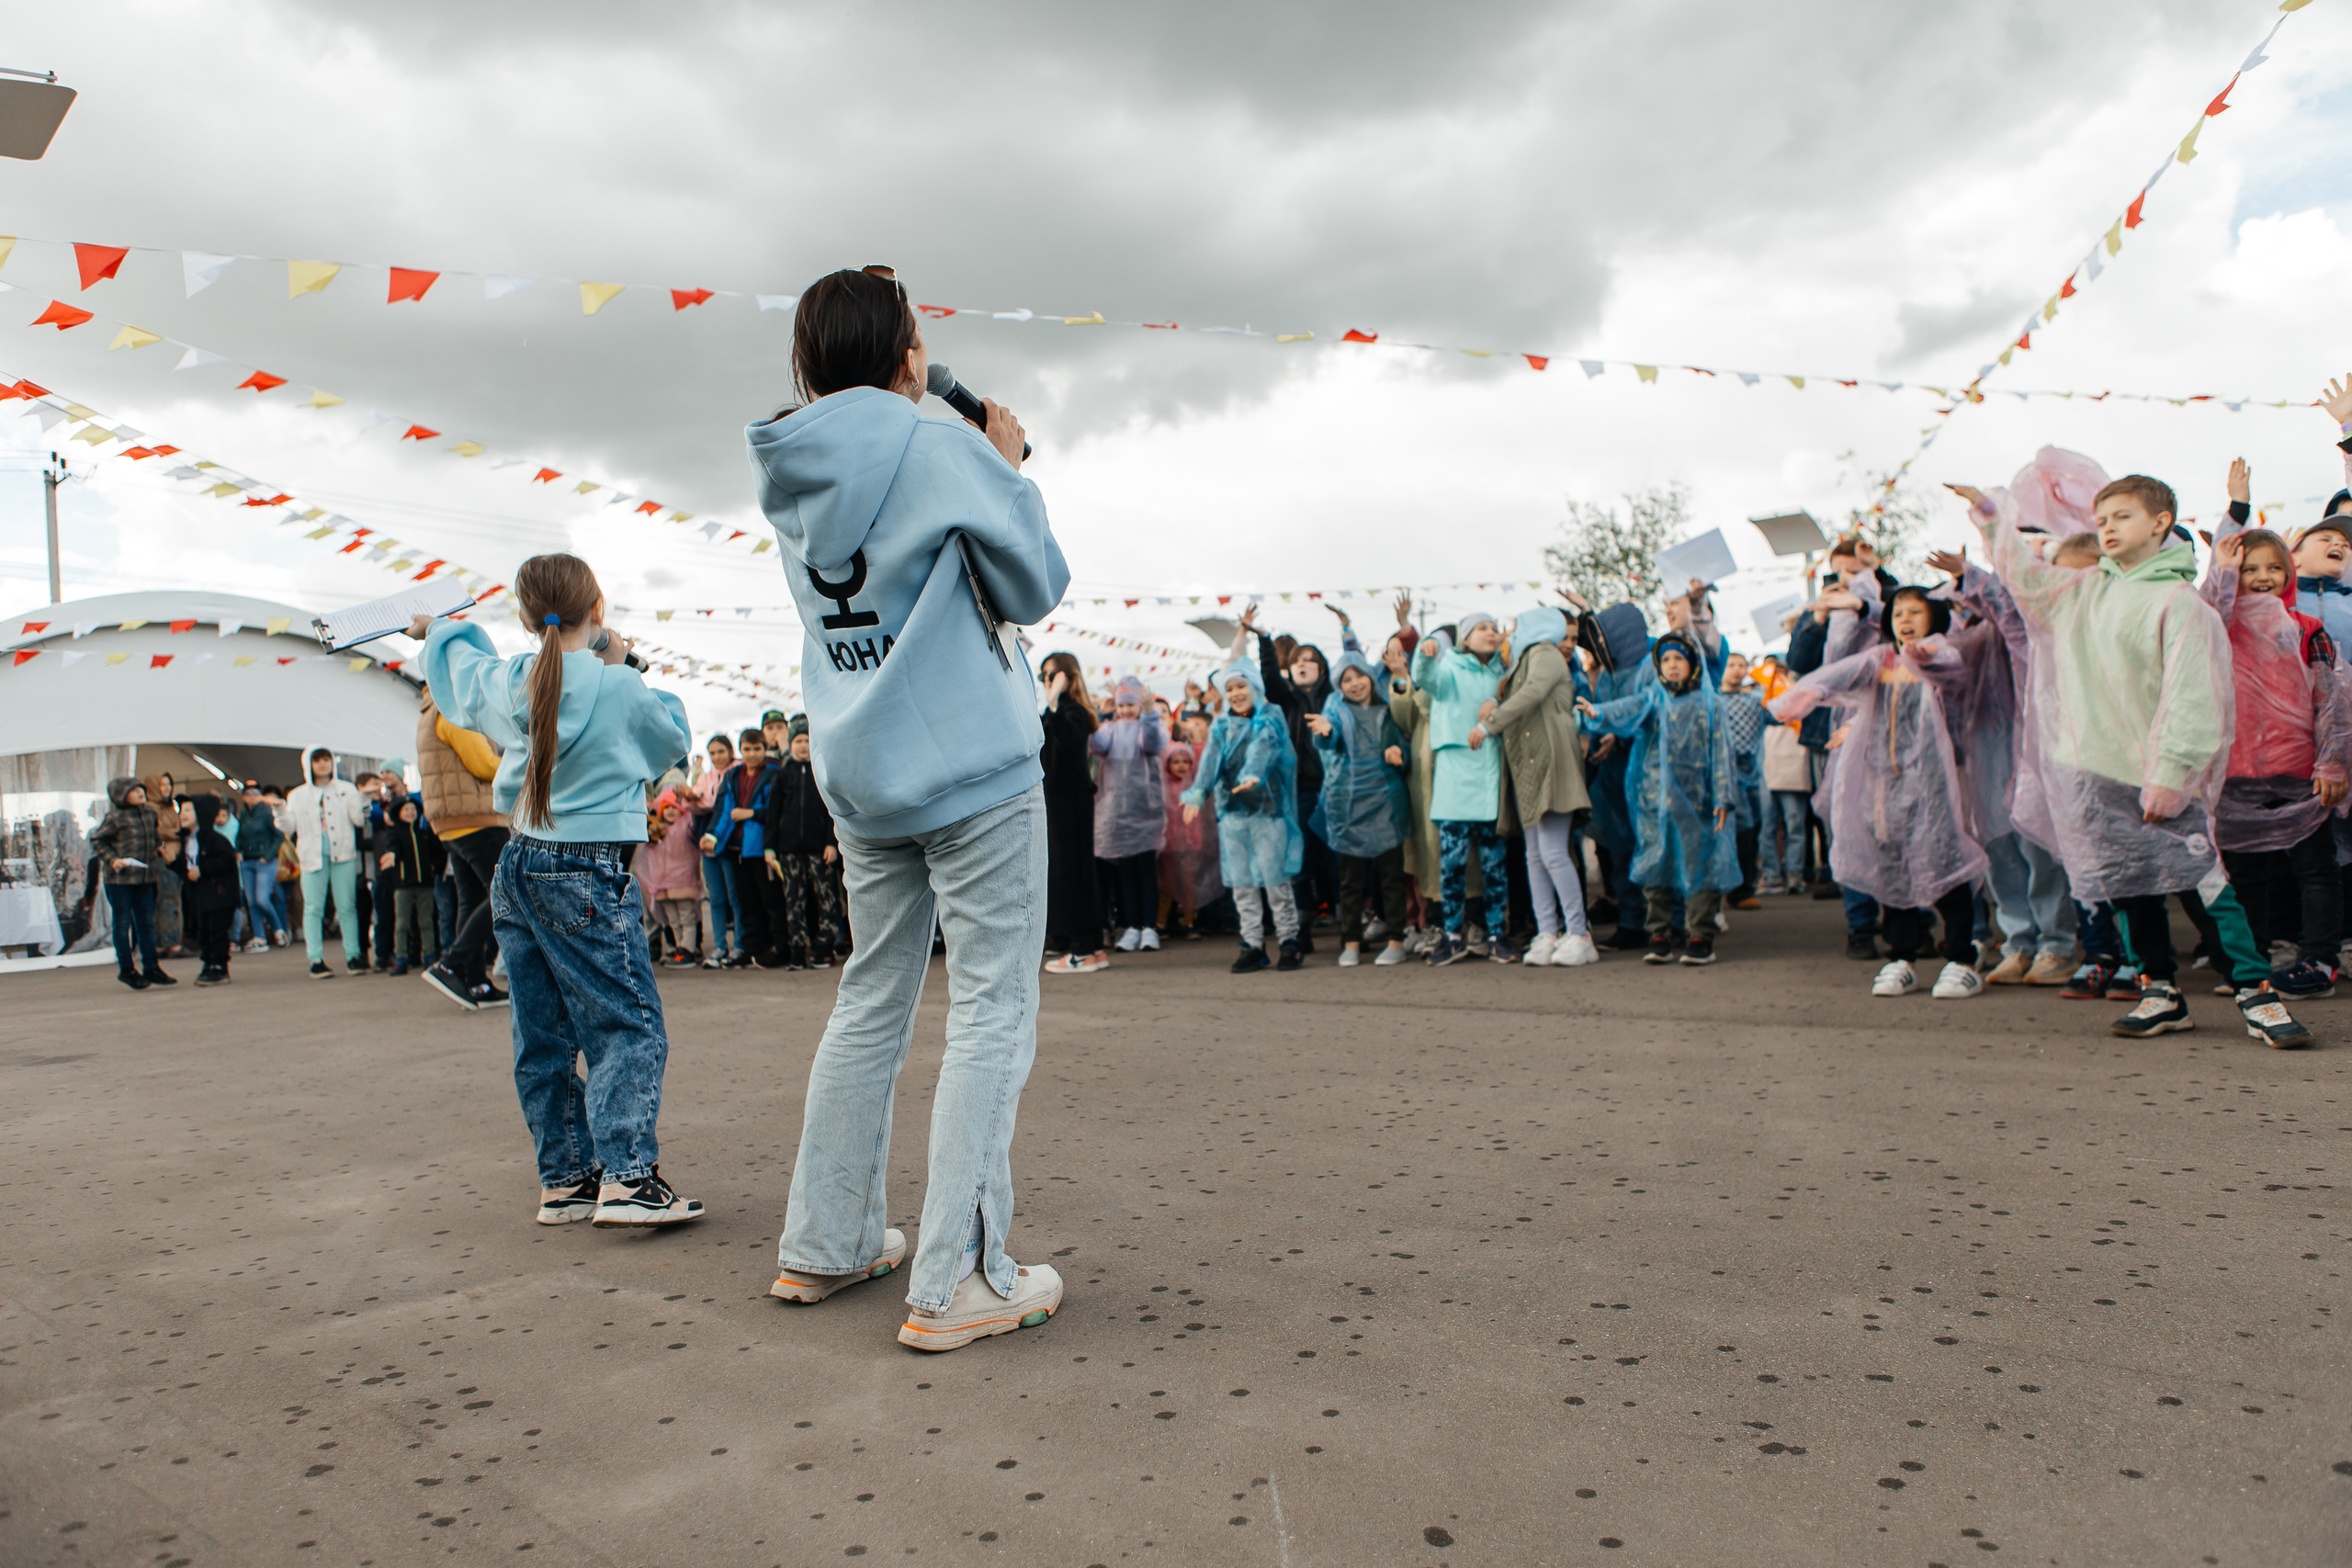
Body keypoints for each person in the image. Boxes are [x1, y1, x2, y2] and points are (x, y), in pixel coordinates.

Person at [744, 265, 1069, 1351]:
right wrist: (1004, 468)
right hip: (970, 765)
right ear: (908, 357)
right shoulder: (940, 446)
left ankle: (826, 1240)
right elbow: (1033, 587)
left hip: (861, 766)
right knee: (990, 1010)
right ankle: (957, 1279)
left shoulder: (788, 470)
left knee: (870, 998)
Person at [1970, 453, 2308, 1044]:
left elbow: (2193, 697)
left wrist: (2171, 776)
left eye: (2121, 516)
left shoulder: (2180, 604)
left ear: (2160, 522)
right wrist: (1994, 519)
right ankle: (2160, 991)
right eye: (2101, 518)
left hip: (2158, 775)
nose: (2106, 528)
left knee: (2205, 884)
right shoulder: (2084, 592)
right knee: (2125, 883)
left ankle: (2256, 992)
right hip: (2094, 773)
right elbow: (2026, 581)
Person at [416, 550, 701, 1227]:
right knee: (624, 1021)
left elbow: (462, 671)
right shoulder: (618, 686)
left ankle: (567, 1176)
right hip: (587, 864)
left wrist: (437, 628)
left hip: (518, 858)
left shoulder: (514, 679)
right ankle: (628, 1177)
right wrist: (625, 662)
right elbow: (670, 739)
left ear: (524, 618)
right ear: (597, 608)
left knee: (540, 1030)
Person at [1770, 586, 1990, 999]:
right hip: (1885, 785)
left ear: (1934, 617)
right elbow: (1841, 676)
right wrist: (1809, 694)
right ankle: (1902, 957)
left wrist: (1922, 657)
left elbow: (1949, 671)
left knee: (1944, 863)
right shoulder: (1881, 658)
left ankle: (1962, 958)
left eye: (1915, 612)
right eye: (1898, 612)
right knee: (1893, 867)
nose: (1905, 619)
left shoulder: (1942, 653)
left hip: (1935, 784)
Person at [2199, 471, 2346, 999]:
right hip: (2237, 773)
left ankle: (2320, 960)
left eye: (2273, 567)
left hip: (2299, 771)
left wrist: (2332, 763)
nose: (2262, 577)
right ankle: (2252, 962)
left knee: (2315, 869)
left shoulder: (2307, 628)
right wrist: (2232, 525)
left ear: (2289, 572)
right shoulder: (2219, 625)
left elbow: (2330, 702)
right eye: (2249, 568)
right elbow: (2210, 600)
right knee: (2245, 875)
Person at [1577, 631, 1739, 965]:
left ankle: (1700, 936)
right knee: (1655, 866)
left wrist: (1724, 797)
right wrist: (1598, 713)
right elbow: (1629, 707)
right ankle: (1660, 934)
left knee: (1701, 867)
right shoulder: (1654, 698)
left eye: (1679, 658)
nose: (1672, 665)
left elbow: (1722, 753)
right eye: (1665, 659)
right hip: (1655, 802)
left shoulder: (1710, 704)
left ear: (1693, 663)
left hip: (1699, 804)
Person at [1469, 605, 1598, 967]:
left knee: (1553, 852)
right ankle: (1547, 933)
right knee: (1535, 856)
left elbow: (1533, 693)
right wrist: (1494, 700)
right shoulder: (1523, 661)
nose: (1509, 634)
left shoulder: (1544, 652)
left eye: (1516, 627)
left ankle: (1579, 934)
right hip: (1529, 765)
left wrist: (1488, 724)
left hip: (1551, 762)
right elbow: (1513, 694)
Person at [1183, 658, 1305, 970]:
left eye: (1241, 686)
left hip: (1269, 812)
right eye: (1230, 688)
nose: (1236, 693)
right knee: (1242, 884)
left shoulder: (1269, 718)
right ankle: (1252, 945)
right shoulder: (1221, 725)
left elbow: (1263, 748)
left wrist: (1253, 775)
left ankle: (1289, 942)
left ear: (1255, 687)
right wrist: (1199, 792)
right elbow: (1210, 760)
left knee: (1276, 882)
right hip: (1233, 815)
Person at [1413, 612, 1516, 964]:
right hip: (1455, 779)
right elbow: (1424, 677)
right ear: (1465, 639)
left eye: (1494, 627)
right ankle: (1453, 936)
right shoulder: (1450, 670)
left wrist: (1496, 703)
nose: (1490, 632)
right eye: (1480, 628)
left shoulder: (1503, 673)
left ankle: (1497, 935)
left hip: (1490, 777)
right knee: (1452, 867)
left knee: (1494, 867)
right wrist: (1425, 651)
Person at [1309, 649, 1412, 966]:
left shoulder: (1387, 709)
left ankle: (1396, 941)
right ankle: (1351, 943)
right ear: (1339, 686)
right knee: (1350, 881)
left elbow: (1403, 744)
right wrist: (1326, 732)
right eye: (1347, 679)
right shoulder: (1337, 712)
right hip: (1349, 805)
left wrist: (1400, 754)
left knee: (1391, 878)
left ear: (1370, 677)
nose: (1354, 684)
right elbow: (1330, 736)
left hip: (1386, 803)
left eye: (1359, 676)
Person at [417, 682, 513, 1010]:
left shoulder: (430, 711)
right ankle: (451, 964)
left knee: (472, 900)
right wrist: (526, 766)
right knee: (507, 891)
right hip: (476, 818)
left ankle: (474, 983)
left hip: (451, 823)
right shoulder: (454, 709)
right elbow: (482, 764)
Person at [1038, 650, 1108, 975]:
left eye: (1052, 674)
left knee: (1075, 873)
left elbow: (1069, 742)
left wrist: (1053, 703)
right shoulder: (1054, 711)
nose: (1047, 681)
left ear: (1068, 676)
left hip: (1071, 802)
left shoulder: (1072, 711)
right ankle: (1091, 948)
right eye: (1043, 676)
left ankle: (1084, 950)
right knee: (1071, 873)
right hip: (1058, 802)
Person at [1091, 676, 1170, 953]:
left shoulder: (1151, 725)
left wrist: (1149, 713)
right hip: (1117, 815)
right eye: (1121, 705)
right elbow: (1096, 745)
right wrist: (1099, 716)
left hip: (1146, 813)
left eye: (1131, 704)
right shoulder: (1110, 729)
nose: (1125, 710)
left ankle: (1149, 927)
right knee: (1126, 874)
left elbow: (1153, 743)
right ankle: (1132, 926)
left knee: (1146, 872)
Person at [761, 725, 844, 969]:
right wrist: (769, 847)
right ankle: (798, 950)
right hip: (790, 850)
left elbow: (832, 812)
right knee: (794, 901)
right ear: (790, 745)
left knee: (827, 899)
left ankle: (824, 949)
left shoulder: (823, 774)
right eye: (798, 741)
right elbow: (773, 814)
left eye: (807, 740)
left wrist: (831, 843)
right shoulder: (782, 775)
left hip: (820, 849)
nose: (803, 745)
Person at [284, 746, 369, 979]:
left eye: (326, 759)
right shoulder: (297, 795)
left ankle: (353, 955)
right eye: (317, 760)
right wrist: (280, 812)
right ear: (308, 764)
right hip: (312, 855)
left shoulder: (347, 789)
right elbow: (289, 827)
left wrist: (363, 799)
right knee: (313, 907)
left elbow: (359, 820)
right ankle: (315, 959)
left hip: (343, 853)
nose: (322, 764)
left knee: (347, 906)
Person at [700, 728, 780, 967]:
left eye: (757, 749)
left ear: (765, 749)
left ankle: (778, 948)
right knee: (746, 902)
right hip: (737, 848)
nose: (752, 754)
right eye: (747, 749)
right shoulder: (733, 775)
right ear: (740, 750)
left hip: (763, 847)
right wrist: (713, 836)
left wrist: (751, 813)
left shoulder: (774, 772)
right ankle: (751, 949)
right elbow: (724, 810)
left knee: (770, 901)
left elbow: (778, 810)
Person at [90, 776, 170, 989]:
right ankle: (127, 969)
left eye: (140, 789)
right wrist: (113, 859)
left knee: (146, 924)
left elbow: (155, 838)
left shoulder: (150, 813)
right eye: (133, 790)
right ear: (121, 795)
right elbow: (97, 840)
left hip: (145, 878)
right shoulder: (115, 818)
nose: (139, 793)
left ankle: (152, 968)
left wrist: (161, 849)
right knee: (122, 923)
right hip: (120, 880)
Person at [1157, 739, 1222, 938]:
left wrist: (1198, 742)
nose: (1181, 766)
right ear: (1167, 764)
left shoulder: (1192, 785)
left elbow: (1202, 761)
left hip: (1190, 845)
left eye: (1185, 761)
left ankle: (1189, 922)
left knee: (1188, 884)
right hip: (1170, 845)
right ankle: (1161, 923)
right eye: (1175, 762)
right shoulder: (1164, 787)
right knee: (1167, 886)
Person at [688, 733, 743, 968]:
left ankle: (740, 945)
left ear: (730, 751)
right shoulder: (705, 777)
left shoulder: (738, 772)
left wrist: (700, 801)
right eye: (712, 753)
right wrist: (692, 798)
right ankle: (720, 945)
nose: (717, 757)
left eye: (721, 751)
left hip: (729, 841)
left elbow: (718, 805)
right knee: (716, 898)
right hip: (707, 841)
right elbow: (695, 804)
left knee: (735, 897)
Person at [176, 794, 244, 986]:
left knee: (217, 932)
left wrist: (203, 870)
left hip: (220, 896)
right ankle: (208, 964)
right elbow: (187, 869)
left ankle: (220, 966)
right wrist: (172, 863)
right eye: (181, 810)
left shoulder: (215, 840)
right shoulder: (186, 840)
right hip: (201, 897)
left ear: (202, 813)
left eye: (188, 810)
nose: (182, 814)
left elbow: (226, 862)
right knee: (203, 932)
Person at [376, 795, 446, 976]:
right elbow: (393, 849)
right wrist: (392, 855)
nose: (410, 812)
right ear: (398, 813)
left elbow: (438, 853)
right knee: (402, 923)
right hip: (403, 885)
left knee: (426, 921)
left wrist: (436, 867)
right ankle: (401, 958)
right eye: (406, 810)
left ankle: (429, 955)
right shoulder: (395, 834)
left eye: (413, 809)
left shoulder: (425, 833)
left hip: (425, 884)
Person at [232, 781, 288, 951]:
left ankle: (279, 930)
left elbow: (279, 836)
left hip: (265, 861)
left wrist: (268, 855)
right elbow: (239, 835)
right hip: (247, 861)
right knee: (252, 902)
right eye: (248, 793)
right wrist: (238, 850)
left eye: (255, 792)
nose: (252, 796)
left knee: (262, 899)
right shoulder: (244, 814)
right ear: (243, 797)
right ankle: (259, 937)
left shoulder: (266, 812)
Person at [144, 770, 186, 957]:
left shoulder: (169, 807)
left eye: (169, 784)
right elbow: (157, 832)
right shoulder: (151, 808)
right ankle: (171, 944)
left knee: (166, 901)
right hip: (163, 859)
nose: (167, 788)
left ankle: (161, 945)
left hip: (173, 858)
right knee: (168, 901)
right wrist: (178, 833)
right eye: (162, 784)